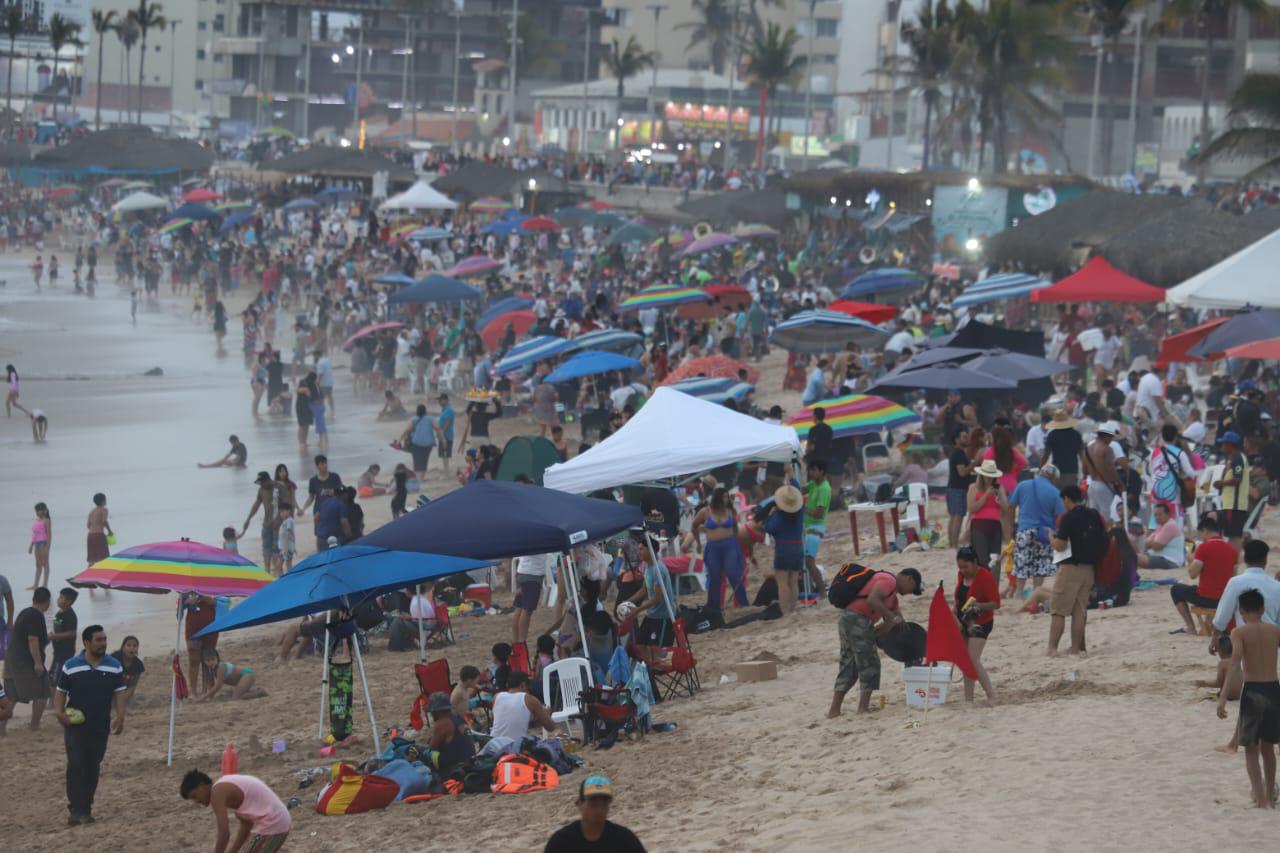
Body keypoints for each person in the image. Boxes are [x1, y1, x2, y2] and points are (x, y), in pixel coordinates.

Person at [53, 624, 127, 826]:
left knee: (92, 767)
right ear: (87, 642)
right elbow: (60, 691)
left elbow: (119, 692)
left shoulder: (114, 665)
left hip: (100, 726)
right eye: (99, 640)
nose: (103, 643)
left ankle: (86, 807)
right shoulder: (71, 665)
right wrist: (59, 714)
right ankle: (76, 809)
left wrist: (120, 717)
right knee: (76, 765)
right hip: (75, 726)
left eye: (104, 639)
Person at [827, 568, 923, 718]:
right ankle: (863, 708)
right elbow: (872, 600)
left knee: (849, 665)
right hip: (857, 620)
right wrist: (892, 617)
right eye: (913, 589)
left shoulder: (893, 597)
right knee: (870, 664)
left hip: (850, 620)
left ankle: (834, 710)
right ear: (909, 579)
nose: (910, 593)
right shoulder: (888, 581)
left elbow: (900, 624)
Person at [1215, 589, 1280, 809]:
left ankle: (1261, 800)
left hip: (1252, 692)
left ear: (1241, 611)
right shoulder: (1274, 630)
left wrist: (1223, 698)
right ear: (1262, 609)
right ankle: (1271, 798)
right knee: (1268, 749)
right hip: (1273, 689)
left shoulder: (1239, 632)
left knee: (1251, 749)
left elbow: (1234, 663)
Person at [1048, 485, 1108, 657]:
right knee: (1079, 611)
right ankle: (1075, 648)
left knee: (1058, 610)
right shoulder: (1094, 515)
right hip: (1089, 569)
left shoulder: (1068, 518)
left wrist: (1051, 537)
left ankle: (1052, 648)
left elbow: (1060, 545)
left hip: (1070, 568)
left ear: (1067, 499)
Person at [181, 770, 293, 853]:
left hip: (273, 824)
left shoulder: (217, 792)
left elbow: (224, 833)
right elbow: (246, 825)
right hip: (279, 821)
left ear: (202, 785)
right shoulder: (227, 787)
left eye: (195, 796)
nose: (196, 801)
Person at [544, 774, 647, 853]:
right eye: (593, 803)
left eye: (604, 803)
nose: (599, 809)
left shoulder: (624, 839)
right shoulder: (561, 842)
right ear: (579, 804)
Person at [1170, 515, 1237, 635]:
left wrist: (1190, 559)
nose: (1201, 537)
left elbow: (1192, 574)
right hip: (1225, 598)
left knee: (1176, 589)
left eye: (1200, 534)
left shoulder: (1203, 547)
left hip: (1207, 598)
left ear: (1205, 531)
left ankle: (1190, 627)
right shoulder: (1232, 549)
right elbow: (1234, 577)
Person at [1006, 463, 1064, 599]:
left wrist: (1012, 527)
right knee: (1041, 565)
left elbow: (1011, 506)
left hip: (1024, 529)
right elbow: (1060, 516)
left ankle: (1019, 593)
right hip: (1045, 533)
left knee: (1022, 563)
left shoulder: (1023, 485)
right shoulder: (1056, 493)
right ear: (1053, 478)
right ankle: (1035, 593)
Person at [688, 486, 748, 611]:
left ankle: (743, 603)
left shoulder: (730, 510)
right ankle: (713, 606)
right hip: (713, 546)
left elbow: (736, 527)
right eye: (724, 497)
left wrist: (736, 541)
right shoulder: (706, 512)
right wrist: (698, 543)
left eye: (727, 496)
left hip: (729, 544)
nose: (726, 499)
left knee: (733, 573)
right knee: (714, 576)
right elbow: (694, 526)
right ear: (718, 498)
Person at [953, 546, 999, 703]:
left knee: (973, 660)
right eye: (960, 567)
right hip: (963, 621)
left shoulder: (985, 576)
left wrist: (978, 605)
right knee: (966, 661)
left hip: (981, 622)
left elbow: (995, 603)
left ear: (974, 562)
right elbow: (959, 596)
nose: (963, 570)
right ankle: (968, 699)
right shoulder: (961, 575)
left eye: (966, 566)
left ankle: (991, 695)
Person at [2, 587, 51, 730]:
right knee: (43, 691)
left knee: (12, 696)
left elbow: (25, 637)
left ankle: (1, 729)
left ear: (33, 599)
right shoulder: (36, 615)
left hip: (11, 660)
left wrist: (46, 639)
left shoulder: (24, 612)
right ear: (47, 602)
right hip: (25, 663)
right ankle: (34, 725)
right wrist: (38, 663)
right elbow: (32, 639)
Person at [625, 531, 676, 664]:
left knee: (654, 648)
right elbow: (644, 589)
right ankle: (651, 668)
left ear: (650, 550)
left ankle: (655, 667)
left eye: (641, 549)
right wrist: (628, 601)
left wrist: (638, 610)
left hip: (663, 616)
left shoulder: (658, 569)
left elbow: (658, 598)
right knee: (641, 645)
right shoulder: (647, 567)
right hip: (651, 615)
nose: (639, 552)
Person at [760, 485, 805, 614]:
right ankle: (792, 608)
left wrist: (770, 515)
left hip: (784, 548)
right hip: (798, 547)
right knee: (793, 581)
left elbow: (768, 528)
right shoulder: (800, 512)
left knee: (782, 583)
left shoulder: (779, 516)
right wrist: (792, 479)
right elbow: (797, 490)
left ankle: (785, 611)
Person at [490, 671, 556, 741]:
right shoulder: (529, 699)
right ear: (523, 686)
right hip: (513, 747)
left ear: (507, 685)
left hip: (493, 743)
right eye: (528, 689)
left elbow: (505, 721)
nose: (529, 692)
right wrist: (546, 713)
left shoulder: (497, 697)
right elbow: (551, 727)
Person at [967, 460, 1008, 570]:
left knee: (995, 560)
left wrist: (1000, 496)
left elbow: (1006, 509)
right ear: (981, 476)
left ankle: (993, 584)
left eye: (991, 477)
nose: (989, 479)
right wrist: (985, 496)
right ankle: (983, 584)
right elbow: (971, 508)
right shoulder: (973, 488)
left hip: (995, 525)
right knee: (981, 559)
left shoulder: (999, 488)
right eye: (986, 476)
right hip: (979, 525)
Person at [425, 691, 477, 775]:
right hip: (471, 763)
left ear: (436, 712)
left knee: (424, 753)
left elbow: (431, 747)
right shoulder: (458, 717)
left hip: (456, 769)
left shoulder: (442, 723)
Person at [1215, 431, 1250, 552]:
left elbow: (1237, 479)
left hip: (1235, 505)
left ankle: (1233, 563)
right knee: (1232, 535)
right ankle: (1232, 563)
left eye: (1224, 444)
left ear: (1230, 445)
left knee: (1234, 536)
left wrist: (1222, 483)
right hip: (1232, 504)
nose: (1223, 447)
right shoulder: (1235, 457)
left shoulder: (1238, 457)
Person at [1082, 421, 1125, 518]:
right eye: (1111, 437)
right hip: (1104, 486)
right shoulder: (1107, 449)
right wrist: (1120, 483)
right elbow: (1111, 470)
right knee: (1107, 515)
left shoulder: (1087, 449)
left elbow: (1084, 470)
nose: (1111, 440)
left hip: (1092, 485)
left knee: (1093, 516)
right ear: (1106, 436)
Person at [802, 459, 831, 596]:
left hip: (815, 528)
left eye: (814, 470)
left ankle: (821, 591)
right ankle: (813, 588)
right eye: (810, 470)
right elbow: (801, 490)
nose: (811, 473)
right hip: (808, 527)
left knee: (809, 561)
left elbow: (819, 513)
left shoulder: (824, 488)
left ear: (822, 471)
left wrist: (803, 508)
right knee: (806, 561)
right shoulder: (814, 484)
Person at [513, 550, 553, 645]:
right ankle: (522, 642)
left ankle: (516, 642)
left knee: (520, 609)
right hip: (532, 574)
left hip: (523, 571)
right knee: (527, 610)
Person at [193, 649, 260, 701]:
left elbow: (218, 686)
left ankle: (260, 692)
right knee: (236, 695)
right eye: (207, 660)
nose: (211, 662)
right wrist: (209, 697)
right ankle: (252, 691)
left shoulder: (221, 667)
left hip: (247, 675)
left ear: (217, 658)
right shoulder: (210, 670)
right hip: (241, 679)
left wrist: (203, 698)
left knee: (236, 698)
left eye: (213, 659)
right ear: (204, 661)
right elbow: (211, 685)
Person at [946, 427, 974, 548]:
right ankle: (953, 544)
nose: (967, 438)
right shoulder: (958, 453)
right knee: (957, 516)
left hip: (953, 488)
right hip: (958, 489)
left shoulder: (957, 452)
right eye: (964, 436)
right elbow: (962, 472)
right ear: (957, 440)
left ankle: (952, 543)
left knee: (954, 517)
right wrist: (975, 463)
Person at [1137, 501, 1185, 569]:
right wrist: (1152, 542)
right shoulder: (1161, 526)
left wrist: (1151, 542)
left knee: (1136, 558)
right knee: (1135, 556)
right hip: (1162, 557)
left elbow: (1157, 546)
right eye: (1155, 515)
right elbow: (1146, 544)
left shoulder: (1170, 525)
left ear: (1168, 514)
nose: (1157, 517)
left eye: (1160, 514)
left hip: (1170, 560)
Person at [1043, 410, 1084, 488]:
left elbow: (1046, 455)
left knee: (1058, 496)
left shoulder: (1052, 435)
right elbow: (1082, 455)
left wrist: (1040, 467)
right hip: (1072, 470)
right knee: (1070, 497)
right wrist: (1085, 470)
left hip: (1057, 472)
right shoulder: (1076, 434)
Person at [402, 403, 443, 479]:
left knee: (417, 461)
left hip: (416, 444)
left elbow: (407, 430)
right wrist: (443, 440)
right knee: (424, 460)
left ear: (417, 411)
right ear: (425, 411)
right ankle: (422, 478)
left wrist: (400, 439)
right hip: (428, 444)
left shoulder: (414, 419)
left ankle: (419, 478)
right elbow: (438, 428)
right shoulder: (431, 419)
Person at [50, 587, 80, 677]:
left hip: (65, 651)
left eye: (61, 597)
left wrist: (55, 636)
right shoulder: (59, 613)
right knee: (55, 675)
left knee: (55, 677)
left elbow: (72, 633)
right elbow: (55, 628)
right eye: (59, 597)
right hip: (58, 651)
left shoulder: (69, 614)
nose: (58, 599)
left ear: (68, 602)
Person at [114, 635, 145, 705]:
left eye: (135, 646)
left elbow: (132, 686)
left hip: (126, 692)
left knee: (132, 704)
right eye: (128, 645)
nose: (132, 648)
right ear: (122, 647)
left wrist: (122, 699)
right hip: (110, 690)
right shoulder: (114, 659)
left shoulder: (138, 665)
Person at [86, 492, 113, 567]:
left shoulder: (92, 512)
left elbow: (88, 525)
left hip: (90, 536)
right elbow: (104, 521)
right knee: (105, 557)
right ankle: (105, 575)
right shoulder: (104, 510)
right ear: (103, 501)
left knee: (92, 559)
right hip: (99, 535)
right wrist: (110, 531)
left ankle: (87, 575)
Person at [29, 501, 51, 591]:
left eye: (39, 510)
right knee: (38, 565)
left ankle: (45, 585)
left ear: (44, 511)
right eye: (36, 511)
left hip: (43, 543)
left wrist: (47, 548)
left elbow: (49, 535)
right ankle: (35, 585)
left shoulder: (46, 520)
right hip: (36, 544)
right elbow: (34, 535)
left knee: (45, 564)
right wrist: (31, 545)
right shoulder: (36, 521)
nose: (38, 513)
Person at [437, 393, 456, 473]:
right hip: (443, 435)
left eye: (440, 400)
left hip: (446, 436)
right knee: (443, 455)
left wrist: (441, 434)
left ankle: (446, 472)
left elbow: (447, 423)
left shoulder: (449, 410)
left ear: (445, 400)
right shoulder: (444, 409)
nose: (439, 402)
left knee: (445, 455)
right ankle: (446, 470)